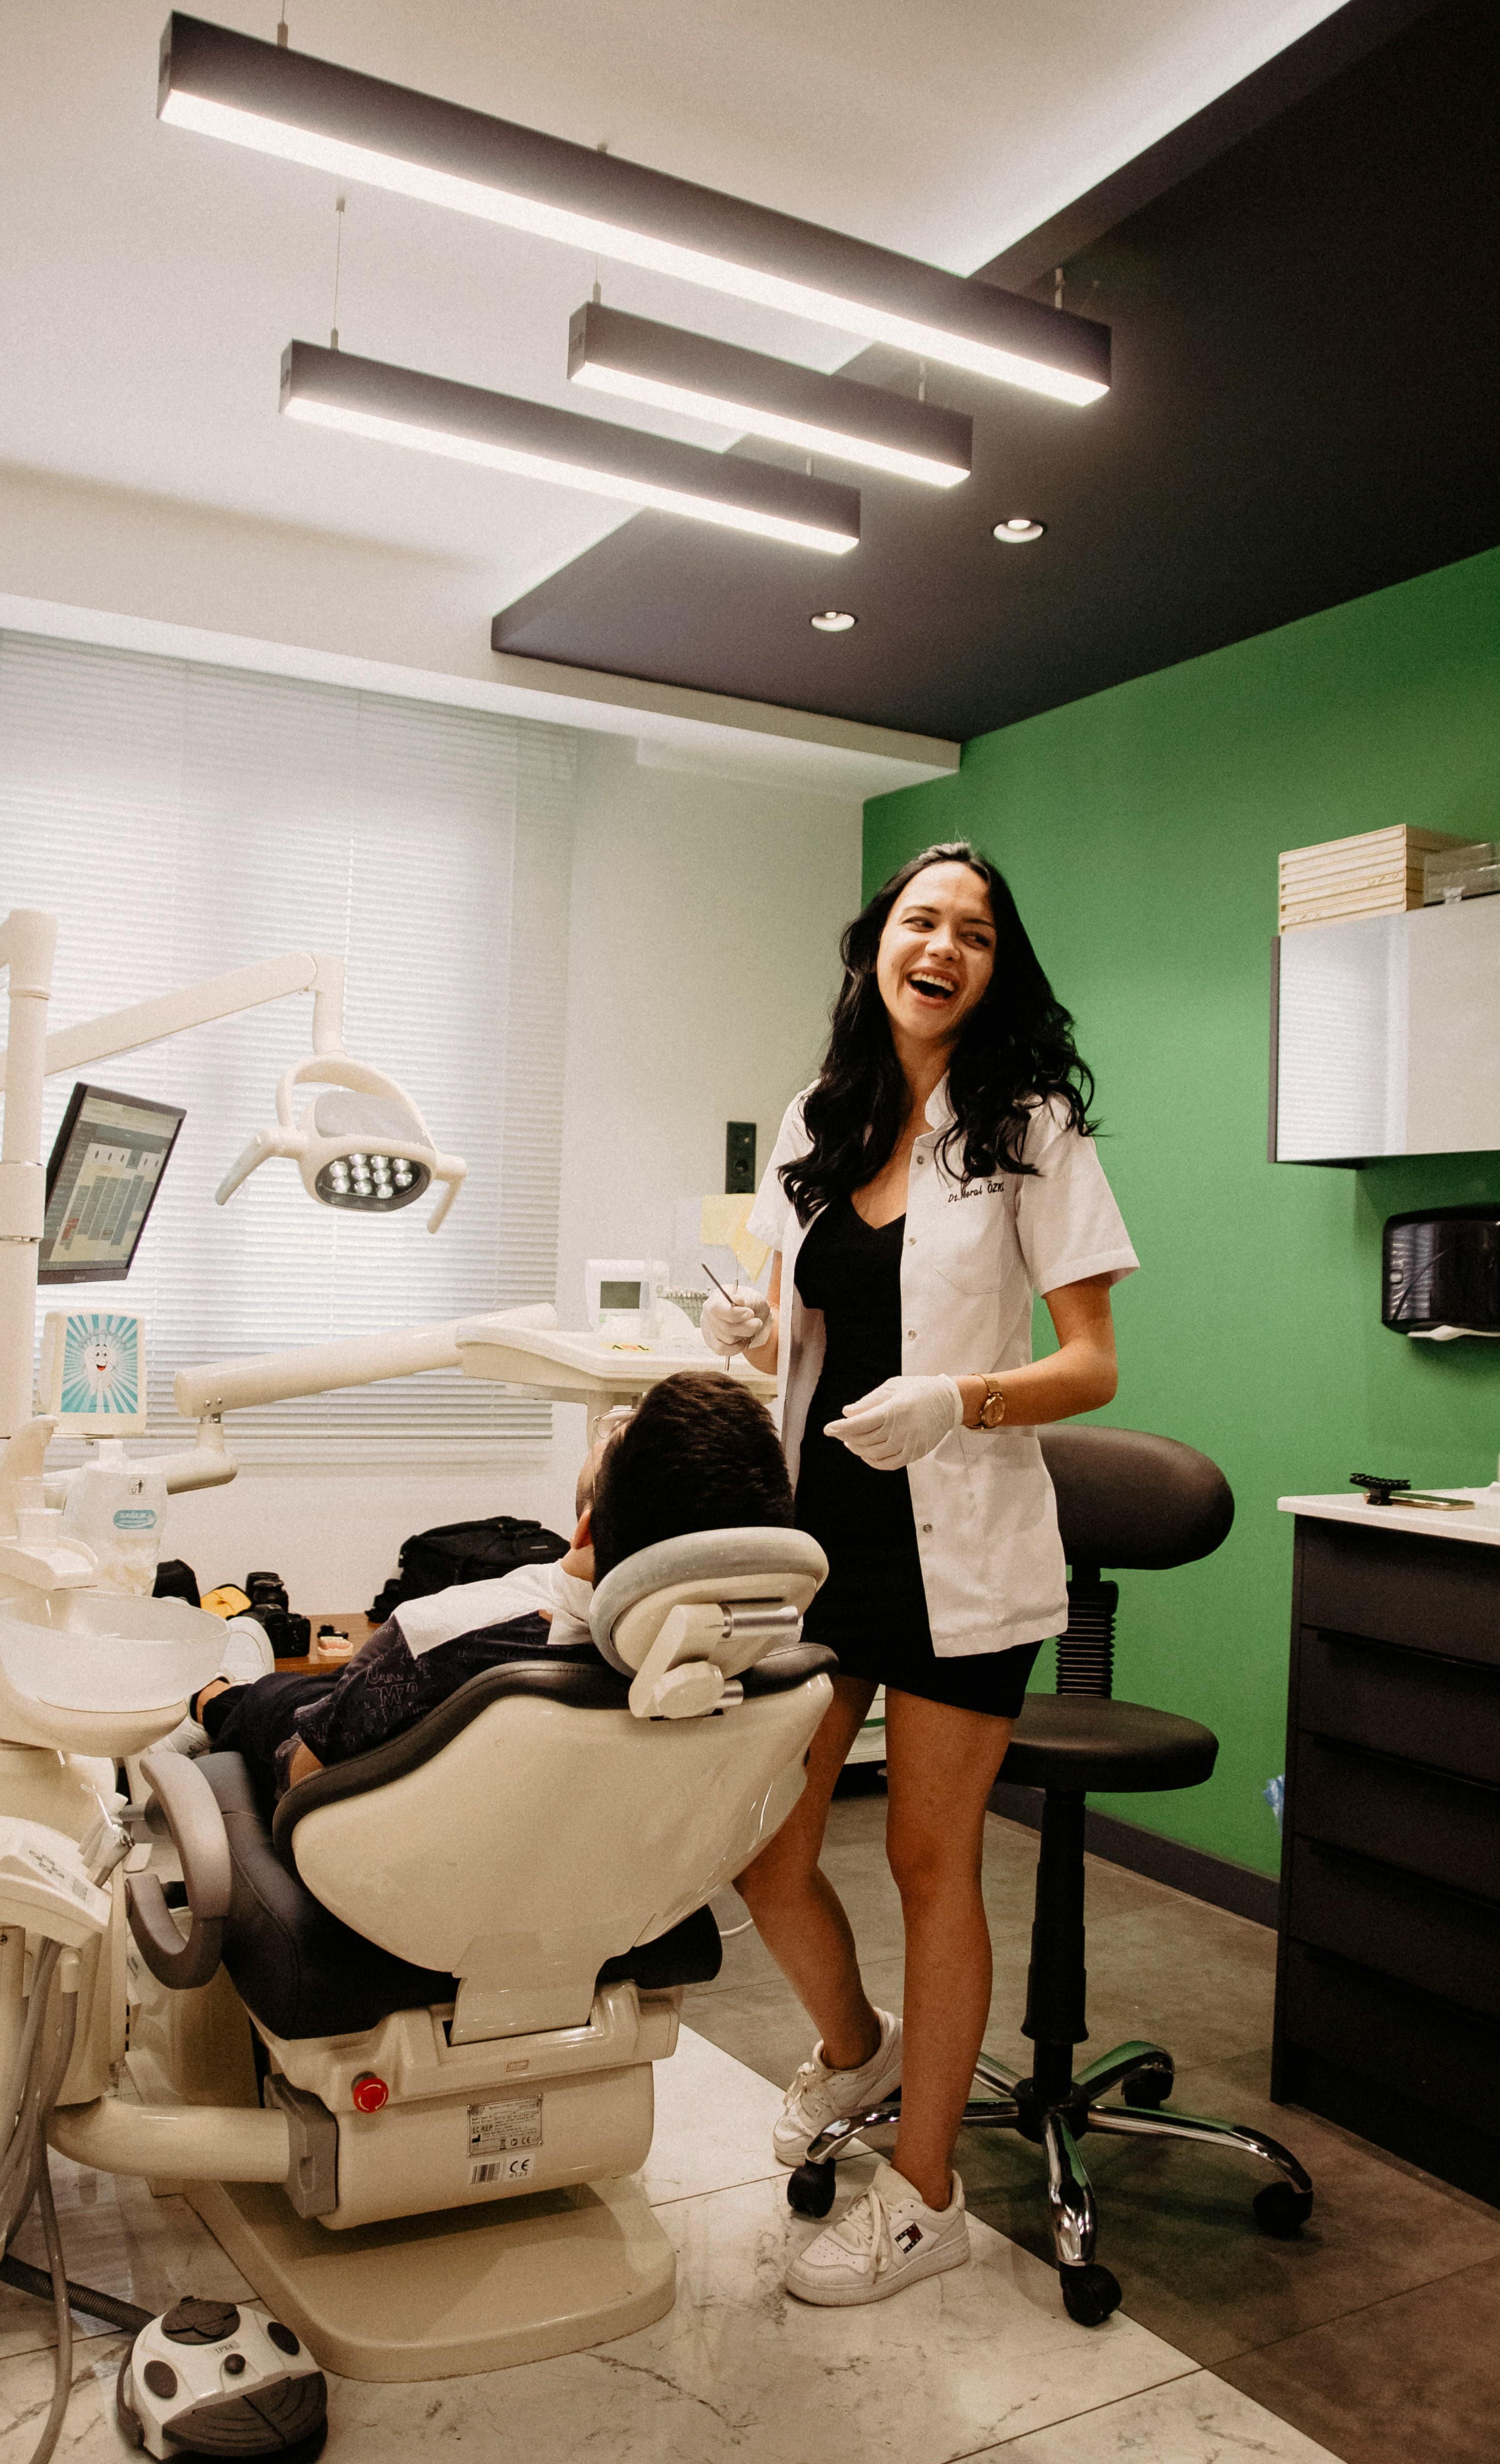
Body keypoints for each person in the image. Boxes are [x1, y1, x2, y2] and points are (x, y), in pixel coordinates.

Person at [701, 840, 1136, 2309]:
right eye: (920, 918)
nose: (941, 943)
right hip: (816, 1545)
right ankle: (853, 2054)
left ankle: (928, 2192)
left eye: (973, 930)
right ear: (876, 943)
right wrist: (755, 1344)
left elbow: (1092, 1364)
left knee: (928, 1863)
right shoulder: (818, 1119)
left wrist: (967, 1400)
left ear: (995, 969)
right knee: (763, 1851)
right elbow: (792, 1317)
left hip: (961, 1543)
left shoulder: (1030, 1126)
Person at [179, 1368, 795, 1817]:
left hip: (397, 1877)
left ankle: (208, 1697)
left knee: (268, 1702)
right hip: (596, 1876)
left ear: (582, 1532)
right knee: (320, 1690)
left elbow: (304, 1774)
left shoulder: (445, 1633)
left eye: (607, 1439)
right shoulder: (746, 1660)